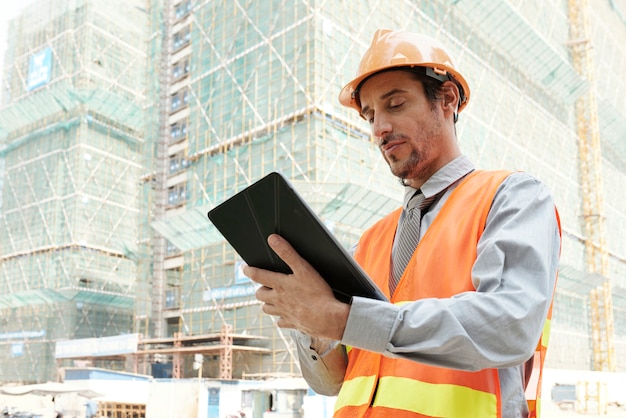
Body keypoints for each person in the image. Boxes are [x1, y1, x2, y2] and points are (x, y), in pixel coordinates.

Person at [243, 29, 561, 418]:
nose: (379, 129)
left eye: (395, 104)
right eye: (370, 115)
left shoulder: (512, 196)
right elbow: (333, 381)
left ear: (447, 100)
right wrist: (311, 323)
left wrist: (341, 317)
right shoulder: (373, 239)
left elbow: (509, 326)